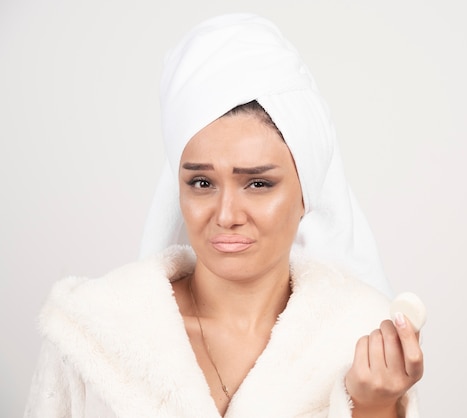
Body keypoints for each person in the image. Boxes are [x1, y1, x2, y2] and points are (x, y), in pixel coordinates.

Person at [24, 13, 424, 417]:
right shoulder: (91, 333)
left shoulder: (362, 341)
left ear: (306, 194)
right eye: (202, 183)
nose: (227, 215)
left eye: (258, 184)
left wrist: (372, 407)